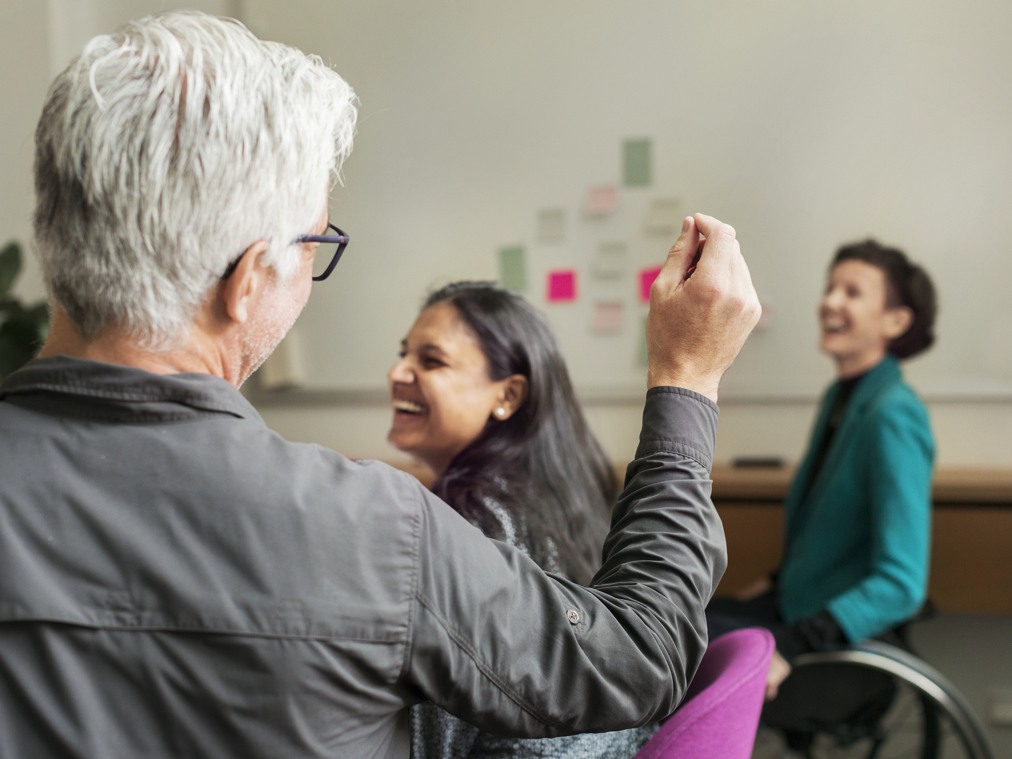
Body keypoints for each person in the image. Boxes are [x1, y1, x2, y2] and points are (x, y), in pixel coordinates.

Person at [0, 10, 761, 758]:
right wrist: (686, 379)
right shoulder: (374, 532)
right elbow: (639, 655)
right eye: (312, 246)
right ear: (245, 279)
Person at [388, 281, 657, 757]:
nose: (397, 373)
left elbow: (435, 736)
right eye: (404, 354)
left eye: (430, 361)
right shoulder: (561, 486)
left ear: (508, 396)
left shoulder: (472, 516)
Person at [707, 240, 937, 699]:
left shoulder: (892, 414)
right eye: (831, 287)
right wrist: (778, 580)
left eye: (852, 292)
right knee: (680, 624)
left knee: (682, 647)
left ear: (896, 320)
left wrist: (794, 645)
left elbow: (901, 584)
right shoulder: (842, 399)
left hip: (826, 647)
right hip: (797, 605)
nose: (829, 301)